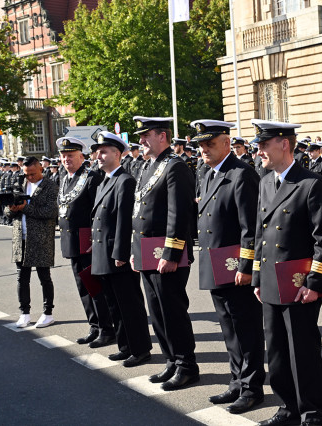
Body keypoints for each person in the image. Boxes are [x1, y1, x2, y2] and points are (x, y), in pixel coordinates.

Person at [252, 119, 322, 426]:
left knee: (302, 351)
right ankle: (287, 408)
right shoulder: (265, 182)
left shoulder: (311, 184)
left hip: (299, 283)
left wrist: (314, 282)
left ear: (284, 144)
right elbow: (261, 236)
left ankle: (312, 413)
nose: (259, 152)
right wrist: (257, 277)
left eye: (263, 146)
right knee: (277, 351)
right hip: (271, 280)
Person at [193, 119, 265, 414]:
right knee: (228, 327)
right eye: (201, 145)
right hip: (215, 261)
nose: (204, 150)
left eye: (210, 144)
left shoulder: (241, 175)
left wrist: (247, 265)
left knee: (245, 327)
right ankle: (237, 380)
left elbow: (251, 227)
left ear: (226, 142)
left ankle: (251, 387)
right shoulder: (209, 173)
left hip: (235, 264)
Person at [131, 116, 199, 390]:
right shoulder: (149, 166)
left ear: (163, 136)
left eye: (146, 135)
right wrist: (135, 250)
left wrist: (171, 254)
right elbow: (139, 213)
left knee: (172, 310)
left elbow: (178, 213)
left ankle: (186, 365)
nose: (141, 141)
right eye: (141, 136)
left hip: (166, 255)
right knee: (157, 312)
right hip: (147, 252)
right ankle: (171, 360)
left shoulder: (175, 167)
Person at [90, 131, 153, 367]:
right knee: (114, 304)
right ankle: (125, 346)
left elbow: (125, 221)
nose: (99, 155)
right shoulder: (105, 180)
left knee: (129, 305)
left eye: (104, 151)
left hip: (117, 255)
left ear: (117, 154)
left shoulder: (124, 181)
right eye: (98, 151)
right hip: (102, 253)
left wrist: (121, 254)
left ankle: (140, 349)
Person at [57, 136, 115, 346]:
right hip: (71, 242)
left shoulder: (91, 178)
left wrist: (96, 239)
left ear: (81, 156)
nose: (66, 160)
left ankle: (107, 329)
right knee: (83, 288)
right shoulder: (65, 178)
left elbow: (99, 212)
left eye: (71, 155)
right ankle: (95, 326)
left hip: (87, 241)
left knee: (95, 287)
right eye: (63, 156)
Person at [5, 157, 59, 328]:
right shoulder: (19, 183)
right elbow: (7, 209)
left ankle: (48, 312)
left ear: (40, 169)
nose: (29, 177)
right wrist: (11, 209)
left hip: (41, 237)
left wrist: (24, 208)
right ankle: (24, 313)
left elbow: (50, 212)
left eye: (33, 174)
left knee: (44, 277)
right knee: (22, 278)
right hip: (20, 235)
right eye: (26, 174)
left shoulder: (50, 186)